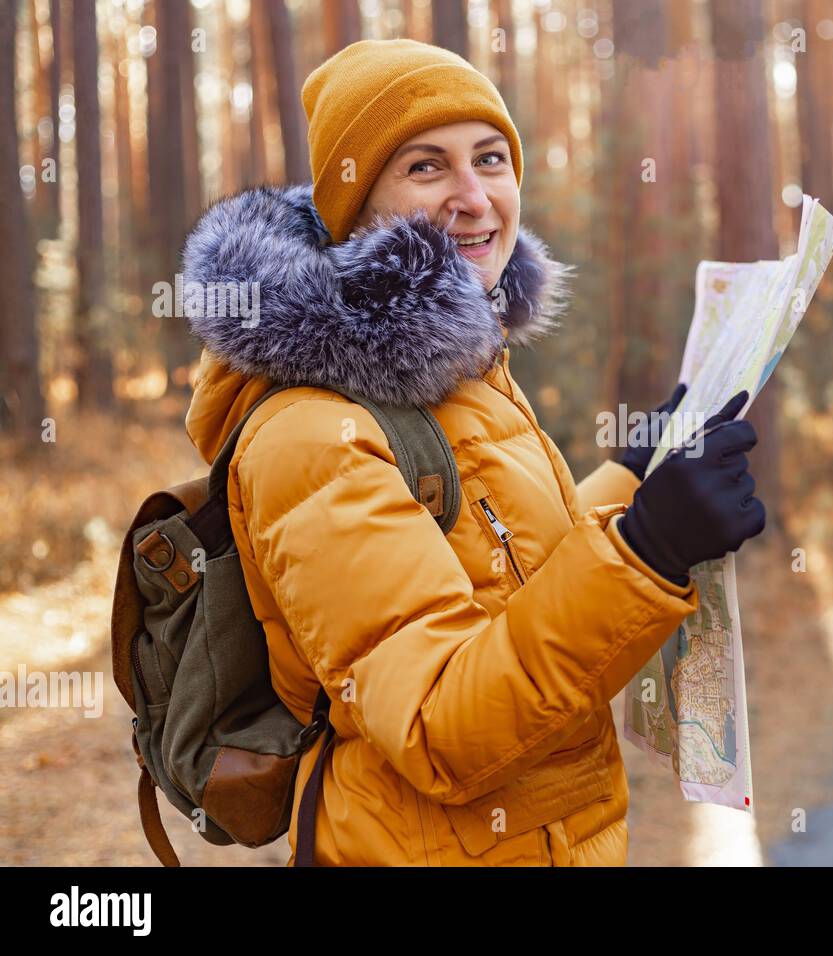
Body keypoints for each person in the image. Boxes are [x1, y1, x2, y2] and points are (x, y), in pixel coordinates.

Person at [179, 38, 765, 866]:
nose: (474, 195)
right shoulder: (311, 432)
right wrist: (648, 552)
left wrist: (635, 476)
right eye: (425, 167)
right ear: (357, 207)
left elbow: (511, 582)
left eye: (491, 158)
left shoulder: (464, 367)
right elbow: (438, 723)